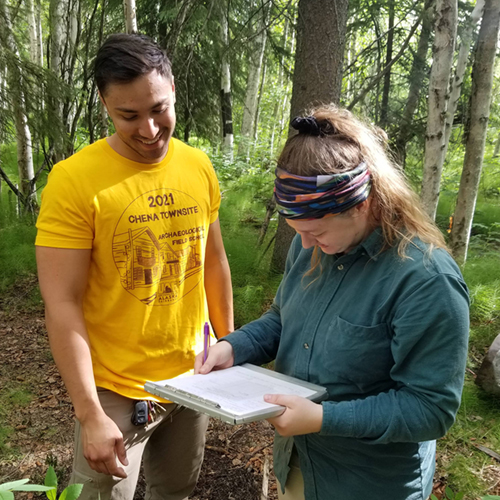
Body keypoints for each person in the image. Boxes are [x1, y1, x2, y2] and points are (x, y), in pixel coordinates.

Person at [196, 106, 470, 500]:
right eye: (298, 232)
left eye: (317, 231)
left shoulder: (425, 281)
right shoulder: (311, 247)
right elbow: (282, 318)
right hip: (298, 464)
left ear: (361, 204)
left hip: (368, 483)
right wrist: (233, 346)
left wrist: (323, 418)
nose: (306, 245)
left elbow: (430, 408)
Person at [35, 33, 233, 500]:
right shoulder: (75, 181)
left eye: (158, 109)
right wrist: (90, 413)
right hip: (116, 390)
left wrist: (229, 343)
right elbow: (61, 302)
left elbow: (213, 261)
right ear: (105, 104)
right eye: (129, 115)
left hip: (192, 378)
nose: (148, 129)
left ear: (173, 91)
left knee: (177, 491)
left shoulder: (197, 165)